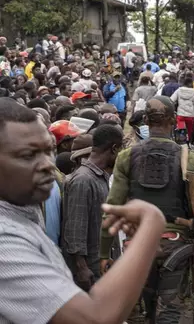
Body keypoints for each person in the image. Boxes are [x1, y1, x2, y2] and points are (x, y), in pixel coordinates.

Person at [0, 98, 167, 324]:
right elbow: (95, 318)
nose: (48, 164)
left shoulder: (23, 215)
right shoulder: (5, 240)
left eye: (48, 150)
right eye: (28, 155)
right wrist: (150, 226)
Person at [100, 96, 194, 324]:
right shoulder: (189, 159)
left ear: (145, 120)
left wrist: (104, 253)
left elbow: (112, 208)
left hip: (138, 246)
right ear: (174, 121)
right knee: (170, 311)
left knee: (147, 308)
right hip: (175, 245)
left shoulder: (127, 156)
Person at [62, 125, 123, 291]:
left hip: (102, 265)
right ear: (114, 149)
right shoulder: (83, 180)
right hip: (91, 270)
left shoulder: (100, 177)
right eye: (120, 150)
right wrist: (81, 268)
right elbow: (75, 230)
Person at [170, 74, 194, 140]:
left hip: (180, 115)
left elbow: (171, 100)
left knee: (180, 130)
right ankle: (189, 143)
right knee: (190, 131)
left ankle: (181, 142)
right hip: (190, 116)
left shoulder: (179, 90)